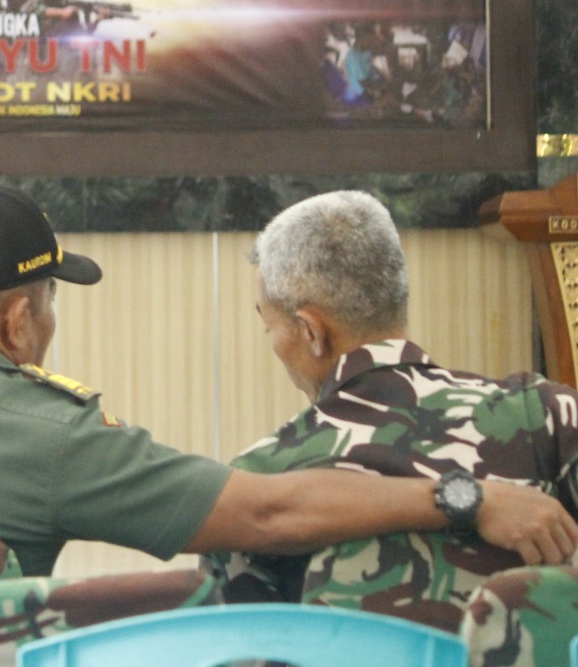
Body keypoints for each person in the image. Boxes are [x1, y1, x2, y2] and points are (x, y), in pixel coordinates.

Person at [0, 180, 578, 667]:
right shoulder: (51, 434)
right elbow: (268, 512)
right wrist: (462, 496)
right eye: (50, 302)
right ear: (18, 320)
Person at [212, 189, 578, 629]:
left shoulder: (258, 487)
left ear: (310, 331)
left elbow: (245, 647)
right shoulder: (546, 415)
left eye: (267, 326)